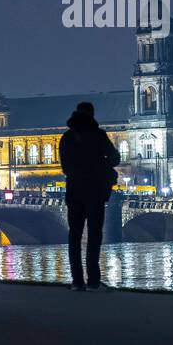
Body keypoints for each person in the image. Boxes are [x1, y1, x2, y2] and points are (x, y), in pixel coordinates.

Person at [58, 101, 120, 291]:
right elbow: (115, 158)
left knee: (74, 237)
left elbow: (65, 168)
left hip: (75, 191)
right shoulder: (98, 135)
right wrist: (100, 165)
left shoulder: (67, 137)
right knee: (94, 235)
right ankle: (93, 281)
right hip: (95, 192)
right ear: (92, 115)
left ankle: (77, 282)